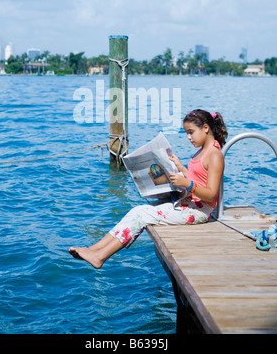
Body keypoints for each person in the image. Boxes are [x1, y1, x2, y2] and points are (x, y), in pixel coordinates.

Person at [69, 109, 228, 269]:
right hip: (190, 202)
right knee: (137, 210)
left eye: (191, 132)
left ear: (206, 128)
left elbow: (211, 194)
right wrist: (180, 168)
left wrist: (187, 184)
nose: (188, 137)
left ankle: (100, 256)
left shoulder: (214, 155)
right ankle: (94, 249)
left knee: (142, 215)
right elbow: (198, 179)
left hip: (200, 211)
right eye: (187, 133)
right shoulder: (202, 151)